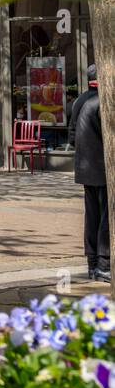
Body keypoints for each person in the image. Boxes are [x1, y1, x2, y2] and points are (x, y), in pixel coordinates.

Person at [70, 65, 109, 282]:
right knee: (105, 217)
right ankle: (103, 264)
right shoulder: (103, 101)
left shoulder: (79, 101)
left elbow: (72, 136)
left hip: (85, 166)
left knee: (92, 215)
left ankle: (93, 264)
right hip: (102, 167)